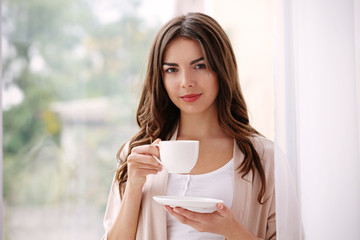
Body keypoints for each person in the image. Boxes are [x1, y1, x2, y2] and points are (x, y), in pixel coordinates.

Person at [102, 12, 276, 240]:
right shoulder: (138, 154)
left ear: (222, 69)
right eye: (172, 70)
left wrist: (232, 230)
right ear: (160, 78)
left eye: (200, 65)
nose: (186, 82)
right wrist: (134, 186)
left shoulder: (262, 157)